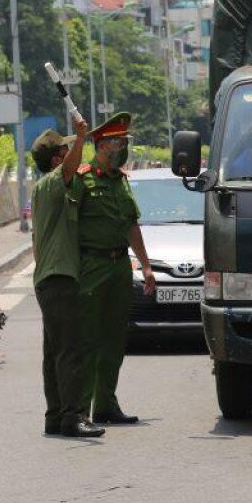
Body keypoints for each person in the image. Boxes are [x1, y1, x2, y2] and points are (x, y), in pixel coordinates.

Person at [76, 112, 156, 425]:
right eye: (120, 142)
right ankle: (81, 409)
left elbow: (130, 225)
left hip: (119, 265)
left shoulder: (121, 181)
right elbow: (67, 224)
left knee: (113, 340)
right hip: (91, 265)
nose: (123, 147)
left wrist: (146, 266)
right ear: (104, 144)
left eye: (124, 142)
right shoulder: (83, 179)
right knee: (88, 340)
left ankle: (106, 405)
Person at [29, 116, 104, 439]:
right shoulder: (49, 184)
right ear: (57, 160)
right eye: (65, 151)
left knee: (54, 352)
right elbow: (71, 167)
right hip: (58, 278)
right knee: (70, 350)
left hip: (51, 278)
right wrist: (83, 135)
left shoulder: (52, 190)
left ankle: (56, 415)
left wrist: (77, 138)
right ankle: (73, 416)